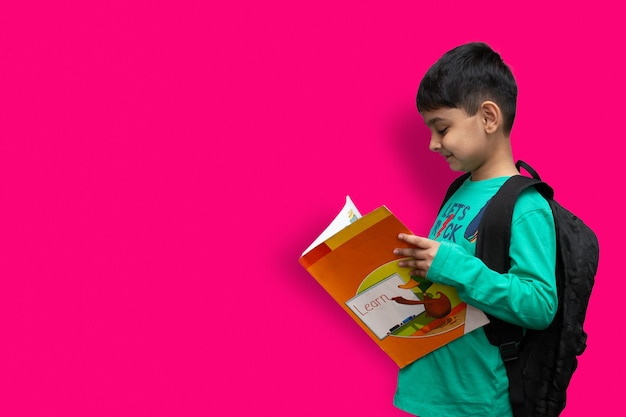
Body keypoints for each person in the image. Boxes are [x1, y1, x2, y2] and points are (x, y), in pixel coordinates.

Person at [392, 42, 557, 417]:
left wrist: (450, 265)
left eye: (442, 128)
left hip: (477, 402)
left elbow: (540, 304)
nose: (433, 144)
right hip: (430, 392)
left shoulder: (526, 207)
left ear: (488, 117)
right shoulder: (459, 191)